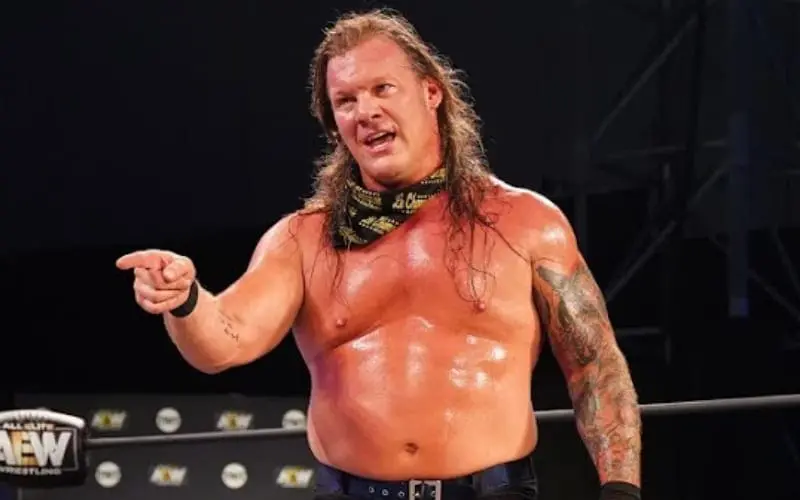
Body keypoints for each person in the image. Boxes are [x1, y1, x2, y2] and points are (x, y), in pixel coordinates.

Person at [116, 9, 642, 500]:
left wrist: (621, 490)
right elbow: (223, 342)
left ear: (431, 92)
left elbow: (595, 366)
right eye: (345, 101)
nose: (365, 111)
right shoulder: (304, 240)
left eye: (382, 89)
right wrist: (184, 298)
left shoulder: (524, 223)